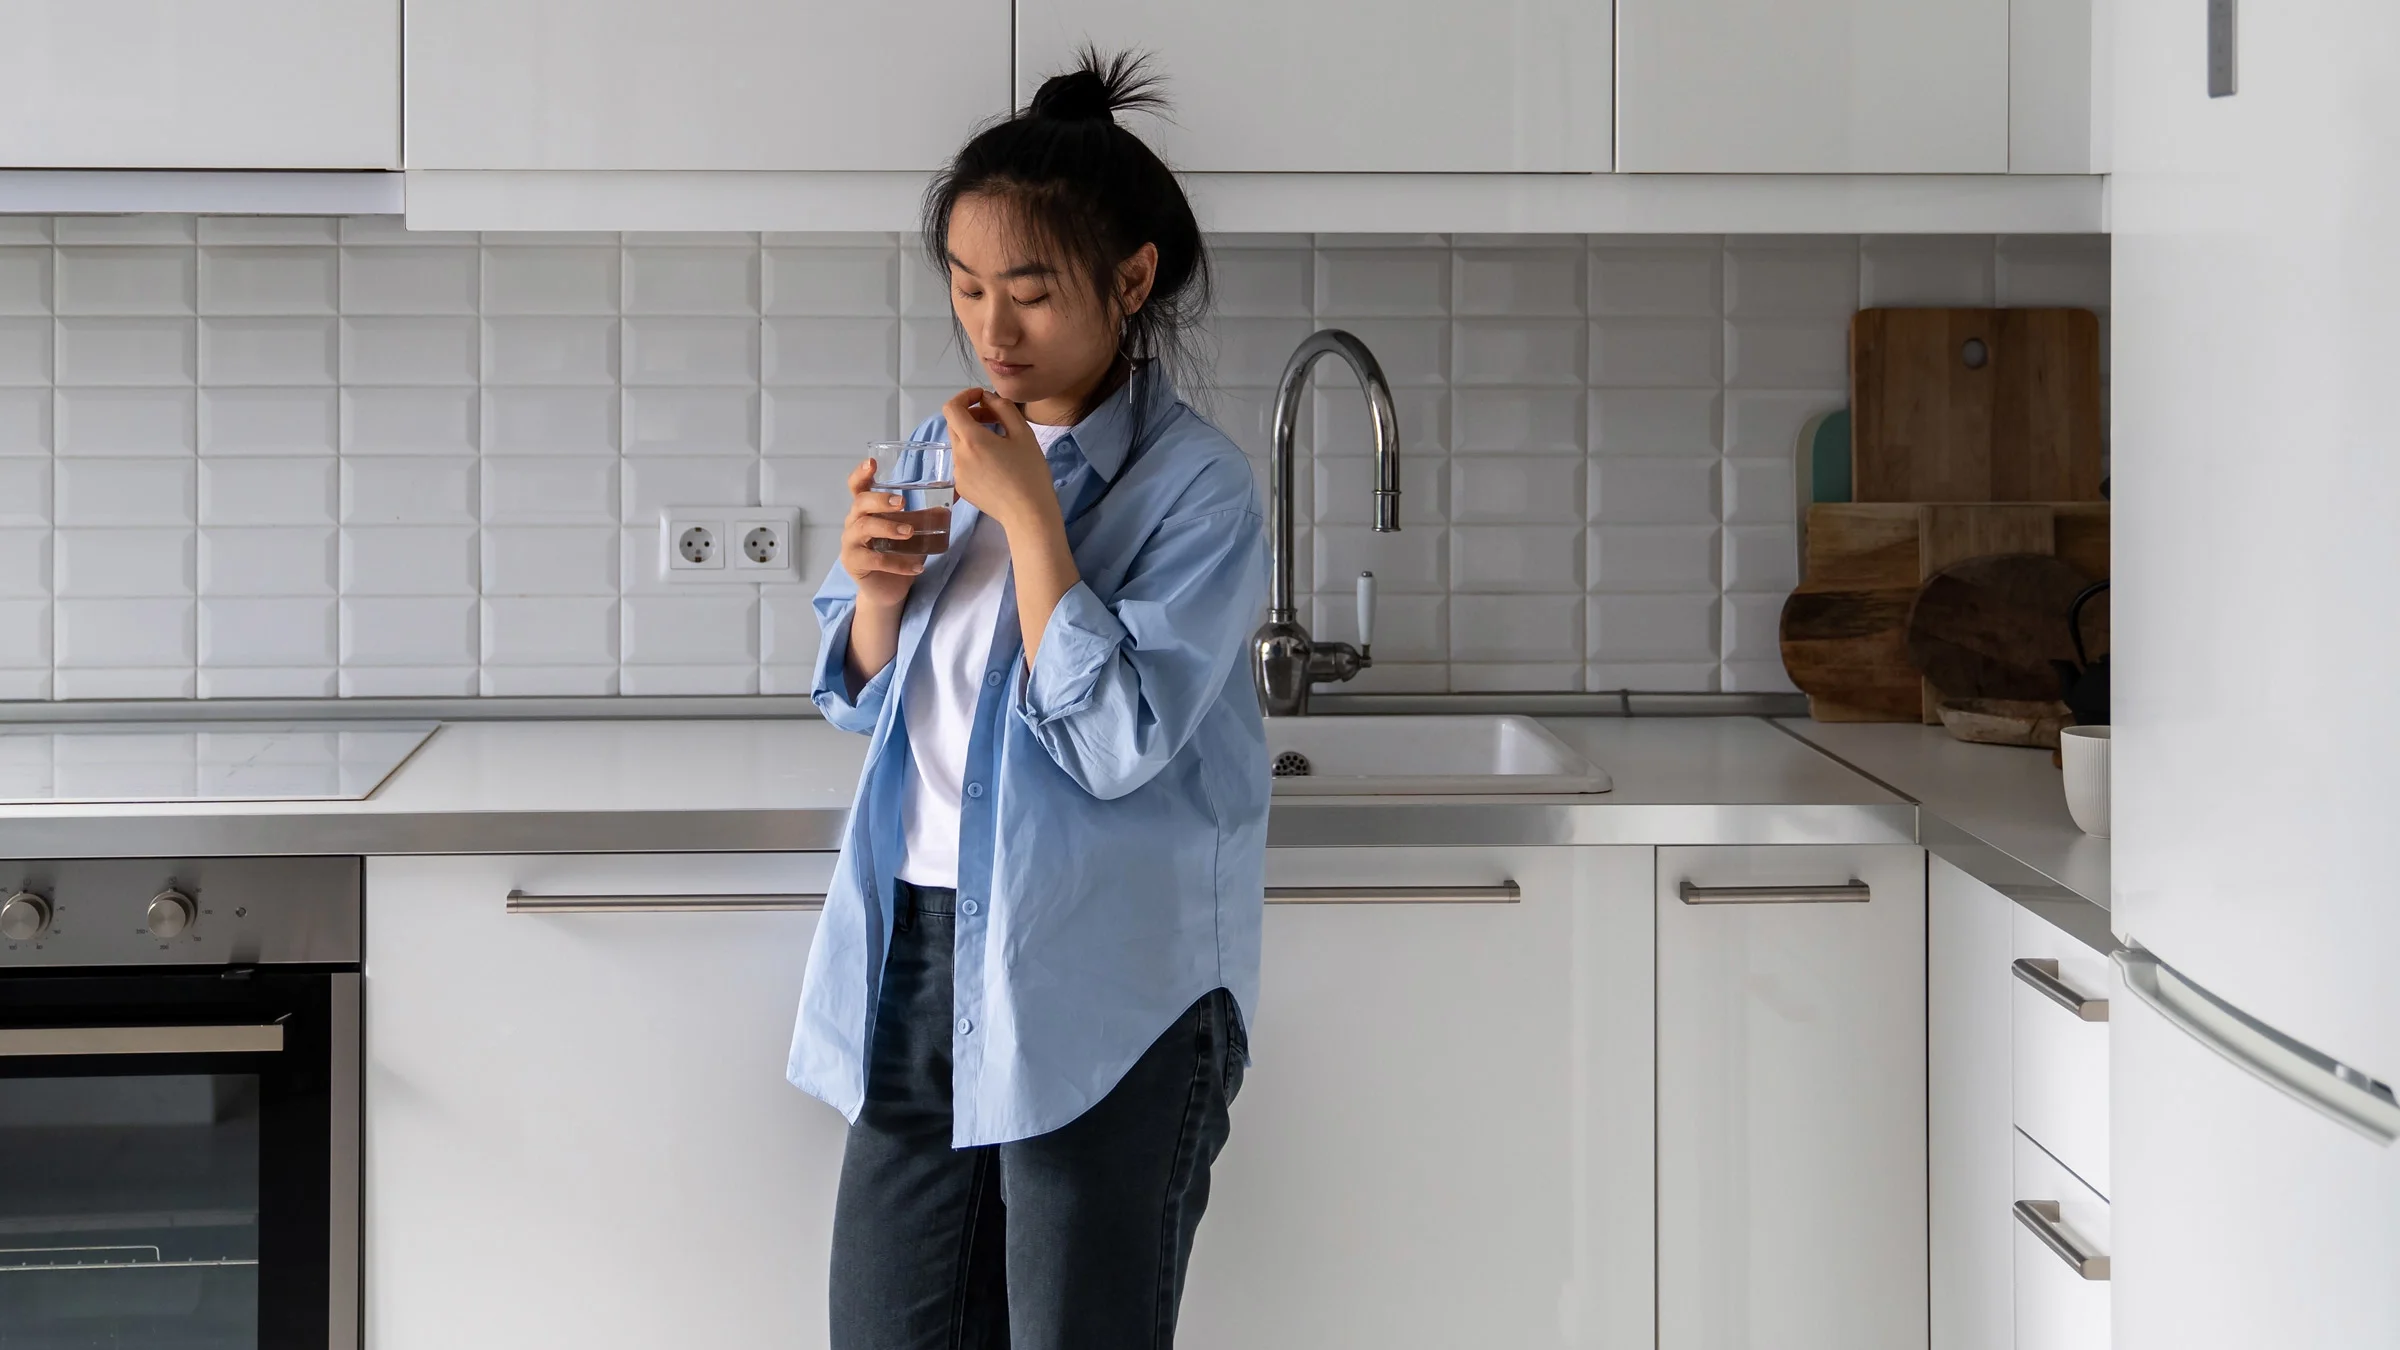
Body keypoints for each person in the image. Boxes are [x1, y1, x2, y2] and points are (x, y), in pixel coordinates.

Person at [788, 47, 1271, 1350]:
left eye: (1032, 292)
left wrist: (1033, 521)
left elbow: (1117, 741)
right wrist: (875, 593)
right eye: (966, 287)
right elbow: (860, 696)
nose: (993, 331)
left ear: (1130, 280)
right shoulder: (935, 449)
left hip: (1115, 974)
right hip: (926, 950)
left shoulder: (1199, 491)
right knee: (888, 1325)